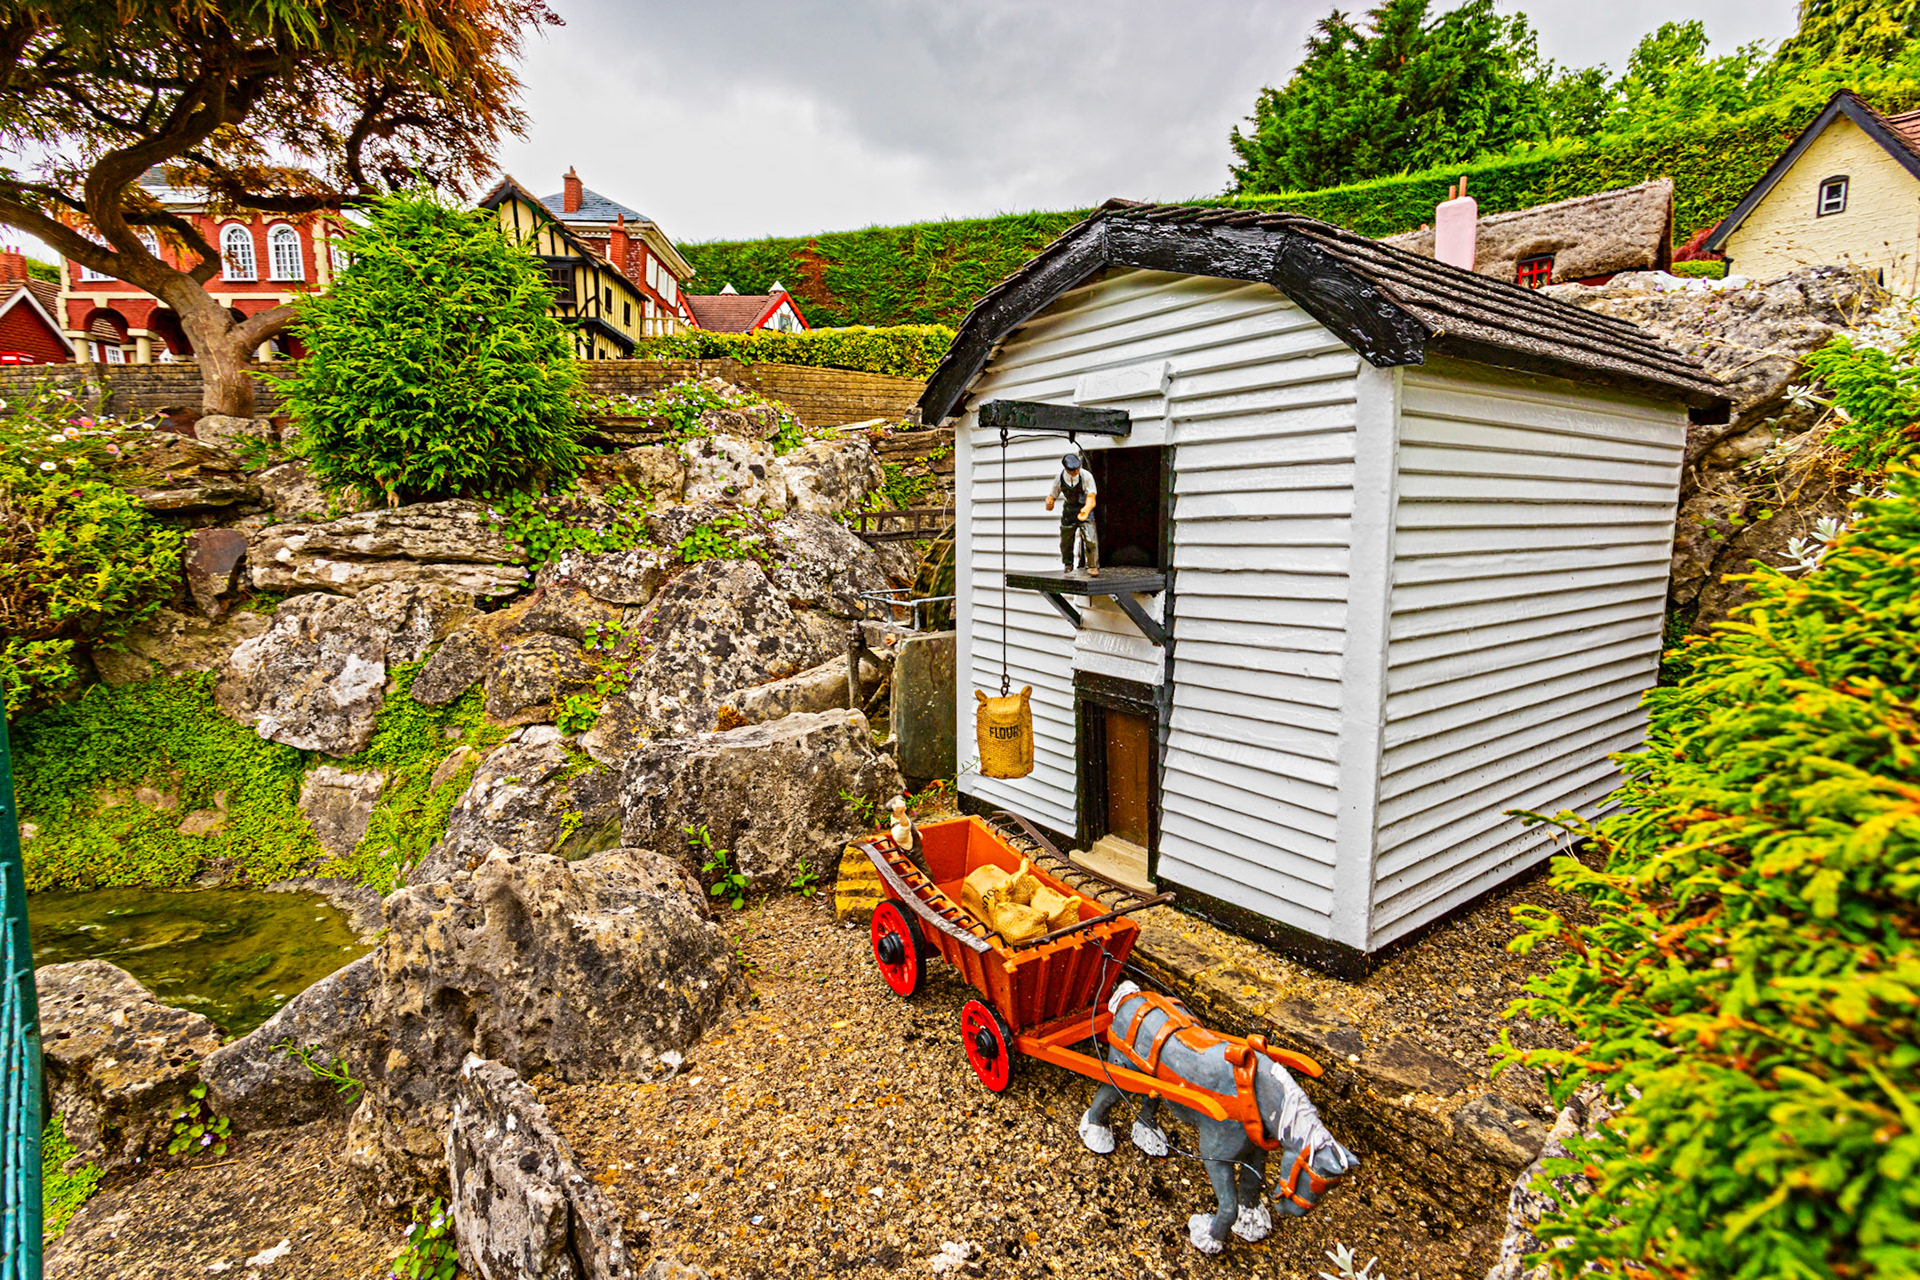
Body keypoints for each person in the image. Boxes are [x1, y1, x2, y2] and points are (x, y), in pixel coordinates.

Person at [1045, 452, 1099, 576]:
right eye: (1072, 470)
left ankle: (1092, 565)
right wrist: (1050, 501)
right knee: (1066, 540)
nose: (1075, 472)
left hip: (1084, 507)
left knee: (1090, 538)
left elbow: (1091, 496)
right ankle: (1068, 564)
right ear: (1067, 469)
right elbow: (1053, 494)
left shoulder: (1086, 476)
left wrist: (1086, 509)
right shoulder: (1059, 478)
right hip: (1069, 510)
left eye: (1077, 469)